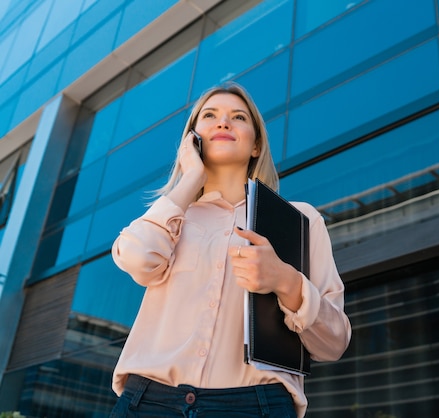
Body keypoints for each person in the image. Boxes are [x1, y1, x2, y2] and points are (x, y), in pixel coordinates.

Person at [108, 82, 352, 417]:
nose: (223, 123)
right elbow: (136, 259)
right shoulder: (172, 217)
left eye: (238, 117)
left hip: (256, 406)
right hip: (148, 402)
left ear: (256, 146)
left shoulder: (299, 220)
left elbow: (333, 342)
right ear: (191, 141)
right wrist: (190, 178)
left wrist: (285, 281)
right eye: (210, 116)